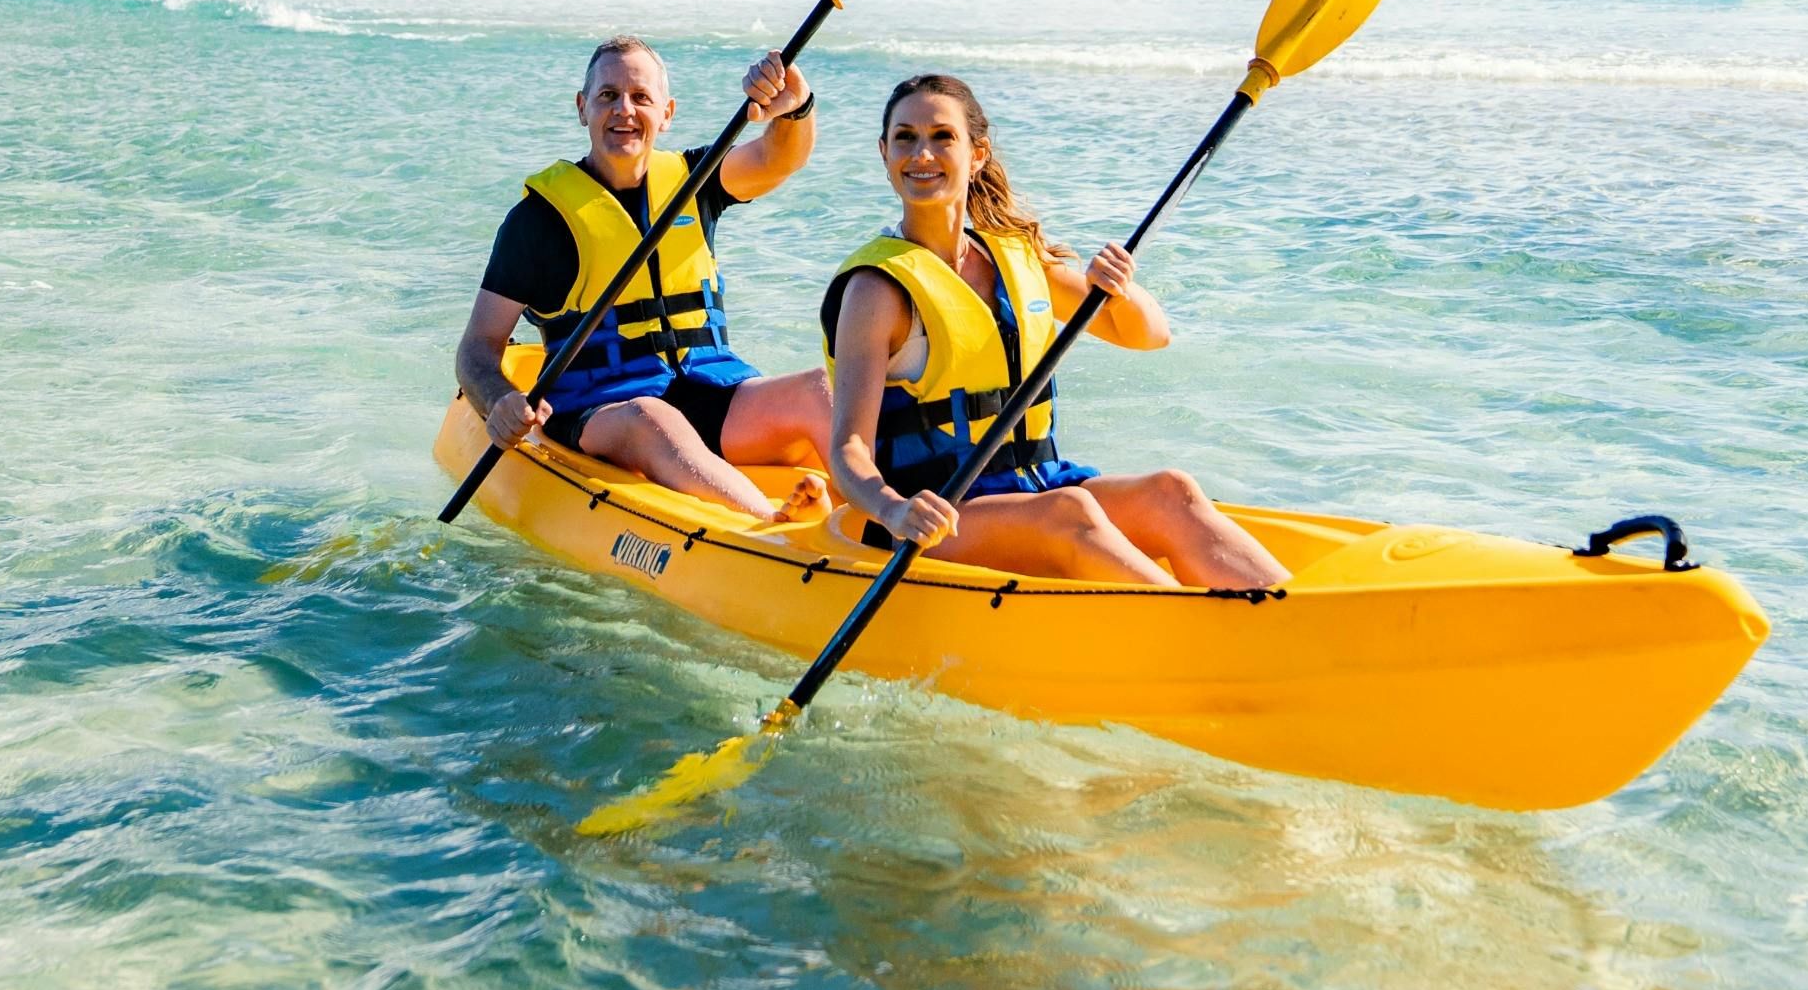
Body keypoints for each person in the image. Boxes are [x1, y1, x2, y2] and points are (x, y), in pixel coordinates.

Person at [819, 72, 1290, 589]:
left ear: (977, 155)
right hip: (939, 520)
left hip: (1036, 484)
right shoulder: (877, 290)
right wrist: (894, 510)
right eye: (905, 137)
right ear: (884, 153)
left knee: (1171, 492)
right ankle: (1203, 633)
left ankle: (1291, 614)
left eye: (942, 136)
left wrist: (1120, 288)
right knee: (1069, 513)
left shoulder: (1014, 255)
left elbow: (1150, 335)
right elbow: (848, 452)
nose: (922, 154)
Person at [454, 35, 839, 519]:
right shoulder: (538, 221)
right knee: (652, 419)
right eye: (608, 95)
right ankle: (773, 530)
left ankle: (889, 515)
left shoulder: (695, 180)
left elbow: (779, 157)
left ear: (667, 112)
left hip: (709, 390)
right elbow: (478, 346)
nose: (624, 110)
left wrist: (795, 107)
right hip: (603, 409)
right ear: (582, 108)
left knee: (819, 390)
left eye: (641, 97)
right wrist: (500, 400)